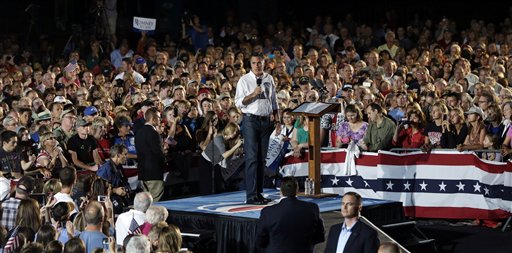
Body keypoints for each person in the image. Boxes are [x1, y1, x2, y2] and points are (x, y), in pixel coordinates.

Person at [235, 52, 280, 205]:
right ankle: (251, 195)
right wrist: (253, 94)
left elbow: (274, 100)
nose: (257, 65)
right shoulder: (244, 80)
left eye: (259, 62)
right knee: (252, 158)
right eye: (254, 63)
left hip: (266, 121)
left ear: (263, 63)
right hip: (251, 121)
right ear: (250, 64)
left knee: (261, 159)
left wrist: (278, 119)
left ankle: (259, 193)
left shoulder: (269, 78)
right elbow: (239, 103)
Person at [256, 177, 325, 252]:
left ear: (281, 191)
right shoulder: (312, 208)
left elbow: (260, 241)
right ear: (297, 190)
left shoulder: (268, 212)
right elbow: (320, 237)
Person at [135, 107, 166, 201]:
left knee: (146, 202)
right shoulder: (153, 133)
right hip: (154, 173)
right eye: (159, 118)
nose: (160, 120)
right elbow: (158, 153)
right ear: (153, 119)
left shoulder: (138, 132)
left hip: (143, 173)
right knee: (156, 201)